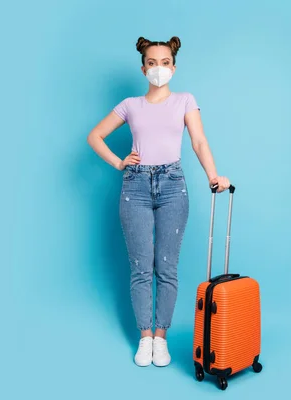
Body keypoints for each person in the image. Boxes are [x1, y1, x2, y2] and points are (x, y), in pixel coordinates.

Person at [86, 36, 231, 367]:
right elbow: (95, 136)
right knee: (141, 267)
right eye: (152, 63)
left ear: (173, 67)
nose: (158, 69)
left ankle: (161, 339)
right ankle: (145, 337)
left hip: (172, 185)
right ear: (143, 68)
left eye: (164, 62)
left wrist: (213, 175)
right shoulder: (130, 105)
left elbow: (198, 141)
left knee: (166, 266)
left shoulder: (184, 101)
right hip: (135, 186)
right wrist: (119, 161)